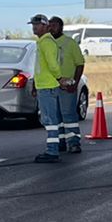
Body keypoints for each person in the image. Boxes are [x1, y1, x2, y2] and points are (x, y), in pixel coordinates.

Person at [29, 13, 67, 163]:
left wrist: (58, 78)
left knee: (49, 120)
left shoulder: (46, 43)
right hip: (45, 85)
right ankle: (55, 148)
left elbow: (52, 64)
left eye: (37, 25)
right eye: (33, 25)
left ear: (45, 26)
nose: (34, 27)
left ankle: (52, 151)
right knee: (51, 119)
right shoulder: (44, 42)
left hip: (48, 86)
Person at [47, 16, 84, 156]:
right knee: (55, 116)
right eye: (50, 25)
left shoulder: (70, 43)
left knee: (68, 115)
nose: (52, 28)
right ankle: (60, 142)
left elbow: (80, 63)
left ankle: (74, 143)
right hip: (51, 85)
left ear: (61, 27)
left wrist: (74, 82)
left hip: (67, 86)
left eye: (55, 25)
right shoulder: (46, 43)